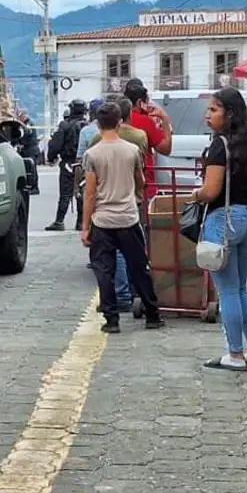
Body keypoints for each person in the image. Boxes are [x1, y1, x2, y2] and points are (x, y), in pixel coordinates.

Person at [192, 87, 247, 372]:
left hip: (224, 219)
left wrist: (196, 194)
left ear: (229, 112)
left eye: (213, 109)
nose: (208, 115)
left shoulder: (220, 145)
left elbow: (212, 190)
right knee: (241, 287)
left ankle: (234, 354)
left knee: (227, 290)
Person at [80, 101, 164, 334]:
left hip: (103, 221)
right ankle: (153, 314)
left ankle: (112, 319)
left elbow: (90, 193)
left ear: (97, 124)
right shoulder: (132, 150)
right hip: (128, 217)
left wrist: (85, 226)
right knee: (139, 267)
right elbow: (141, 181)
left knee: (104, 271)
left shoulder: (92, 154)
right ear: (120, 122)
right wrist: (134, 195)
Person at [45, 99, 88, 231]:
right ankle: (81, 222)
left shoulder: (65, 125)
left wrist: (51, 157)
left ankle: (59, 221)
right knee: (82, 191)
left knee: (65, 193)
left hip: (68, 163)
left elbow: (55, 144)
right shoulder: (88, 126)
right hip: (84, 163)